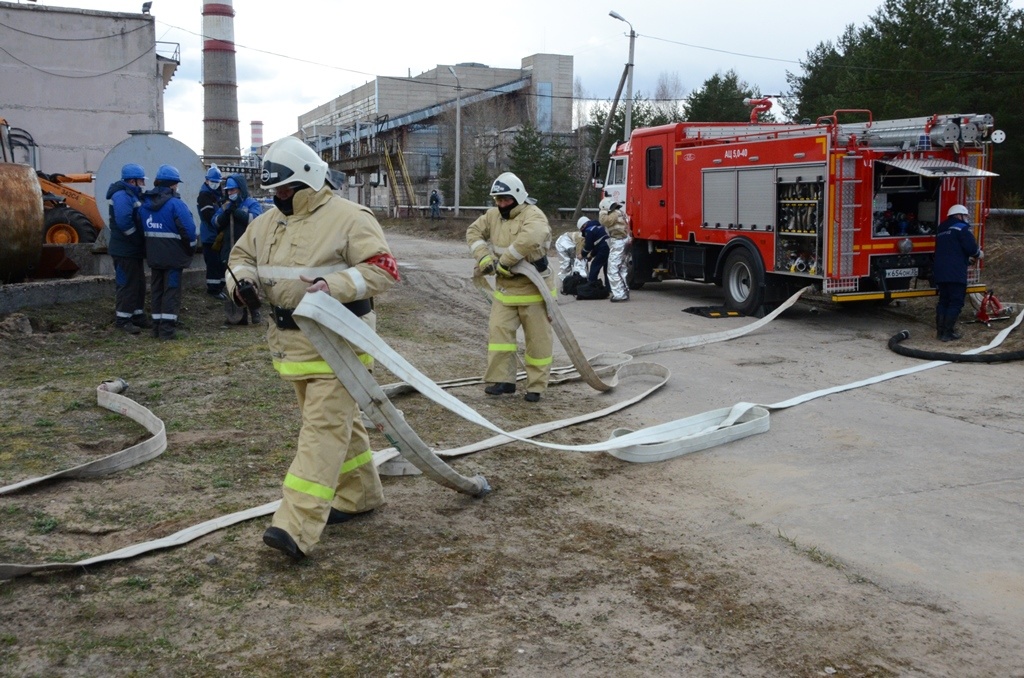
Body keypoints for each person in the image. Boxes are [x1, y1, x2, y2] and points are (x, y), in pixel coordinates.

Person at [226, 136, 400, 560]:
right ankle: (359, 494)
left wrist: (333, 287)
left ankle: (295, 525)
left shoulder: (349, 217)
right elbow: (239, 257)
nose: (279, 198)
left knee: (321, 432)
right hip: (292, 347)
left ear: (308, 180)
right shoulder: (267, 222)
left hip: (339, 344)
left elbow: (383, 269)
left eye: (286, 190)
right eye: (274, 192)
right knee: (338, 424)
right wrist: (241, 286)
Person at [466, 171, 554, 403]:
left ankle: (536, 386)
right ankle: (503, 380)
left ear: (517, 196)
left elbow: (530, 237)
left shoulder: (533, 215)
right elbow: (473, 232)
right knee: (499, 335)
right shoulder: (493, 215)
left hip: (534, 289)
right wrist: (484, 258)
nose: (501, 204)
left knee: (538, 341)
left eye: (505, 199)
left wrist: (505, 262)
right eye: (498, 200)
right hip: (505, 290)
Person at [140, 164, 197, 340]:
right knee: (171, 291)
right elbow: (189, 231)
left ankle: (156, 328)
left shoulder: (145, 204)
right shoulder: (176, 204)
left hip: (154, 256)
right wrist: (190, 250)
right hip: (173, 257)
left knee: (156, 290)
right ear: (173, 185)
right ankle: (167, 331)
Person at [212, 174, 263, 325]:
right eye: (228, 190)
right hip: (229, 249)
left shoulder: (251, 203)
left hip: (248, 251)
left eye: (233, 190)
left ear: (240, 189)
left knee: (248, 283)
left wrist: (239, 213)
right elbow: (214, 222)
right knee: (232, 282)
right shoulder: (226, 206)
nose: (230, 193)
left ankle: (254, 311)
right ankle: (239, 316)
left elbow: (257, 220)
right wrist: (225, 214)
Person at [105, 163, 148, 334]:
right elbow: (124, 222)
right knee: (127, 284)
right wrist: (137, 239)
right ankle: (123, 320)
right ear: (132, 181)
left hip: (130, 250)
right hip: (124, 250)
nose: (143, 184)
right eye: (141, 181)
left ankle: (137, 315)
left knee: (138, 283)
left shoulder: (129, 194)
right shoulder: (122, 196)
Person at [933, 203, 983, 342]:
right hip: (955, 274)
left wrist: (966, 261)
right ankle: (948, 333)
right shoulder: (962, 228)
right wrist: (978, 254)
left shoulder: (941, 228)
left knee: (943, 301)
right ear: (959, 215)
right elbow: (971, 248)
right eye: (965, 215)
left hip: (941, 271)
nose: (966, 218)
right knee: (955, 302)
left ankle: (940, 332)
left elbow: (950, 251)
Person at [197, 165, 225, 299]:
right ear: (207, 180)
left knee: (220, 263)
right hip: (210, 236)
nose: (215, 184)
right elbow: (209, 217)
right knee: (213, 263)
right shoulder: (204, 196)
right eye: (213, 182)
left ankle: (220, 287)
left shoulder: (217, 194)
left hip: (217, 235)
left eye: (217, 182)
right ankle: (213, 289)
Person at [599, 197, 631, 302]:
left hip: (618, 241)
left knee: (613, 269)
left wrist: (603, 211)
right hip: (625, 240)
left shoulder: (614, 214)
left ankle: (619, 294)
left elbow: (604, 221)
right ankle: (624, 291)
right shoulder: (621, 212)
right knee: (622, 268)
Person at [580, 215, 610, 289]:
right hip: (609, 247)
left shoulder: (589, 231)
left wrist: (582, 254)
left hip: (603, 249)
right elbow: (597, 244)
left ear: (584, 226)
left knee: (595, 265)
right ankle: (609, 287)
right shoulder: (599, 227)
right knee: (607, 268)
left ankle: (591, 285)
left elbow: (588, 246)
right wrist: (592, 255)